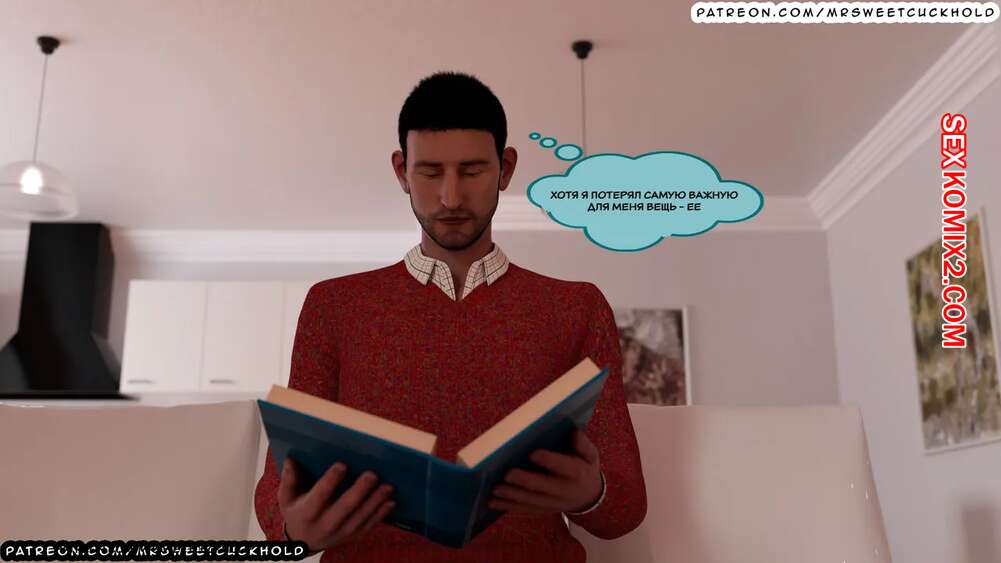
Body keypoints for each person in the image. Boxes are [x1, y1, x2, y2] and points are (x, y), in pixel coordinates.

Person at [254, 71, 647, 563]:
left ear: (506, 169)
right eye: (430, 172)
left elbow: (626, 507)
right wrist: (293, 528)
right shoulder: (333, 306)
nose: (451, 197)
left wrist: (592, 493)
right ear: (402, 171)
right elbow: (278, 489)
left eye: (472, 170)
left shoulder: (577, 308)